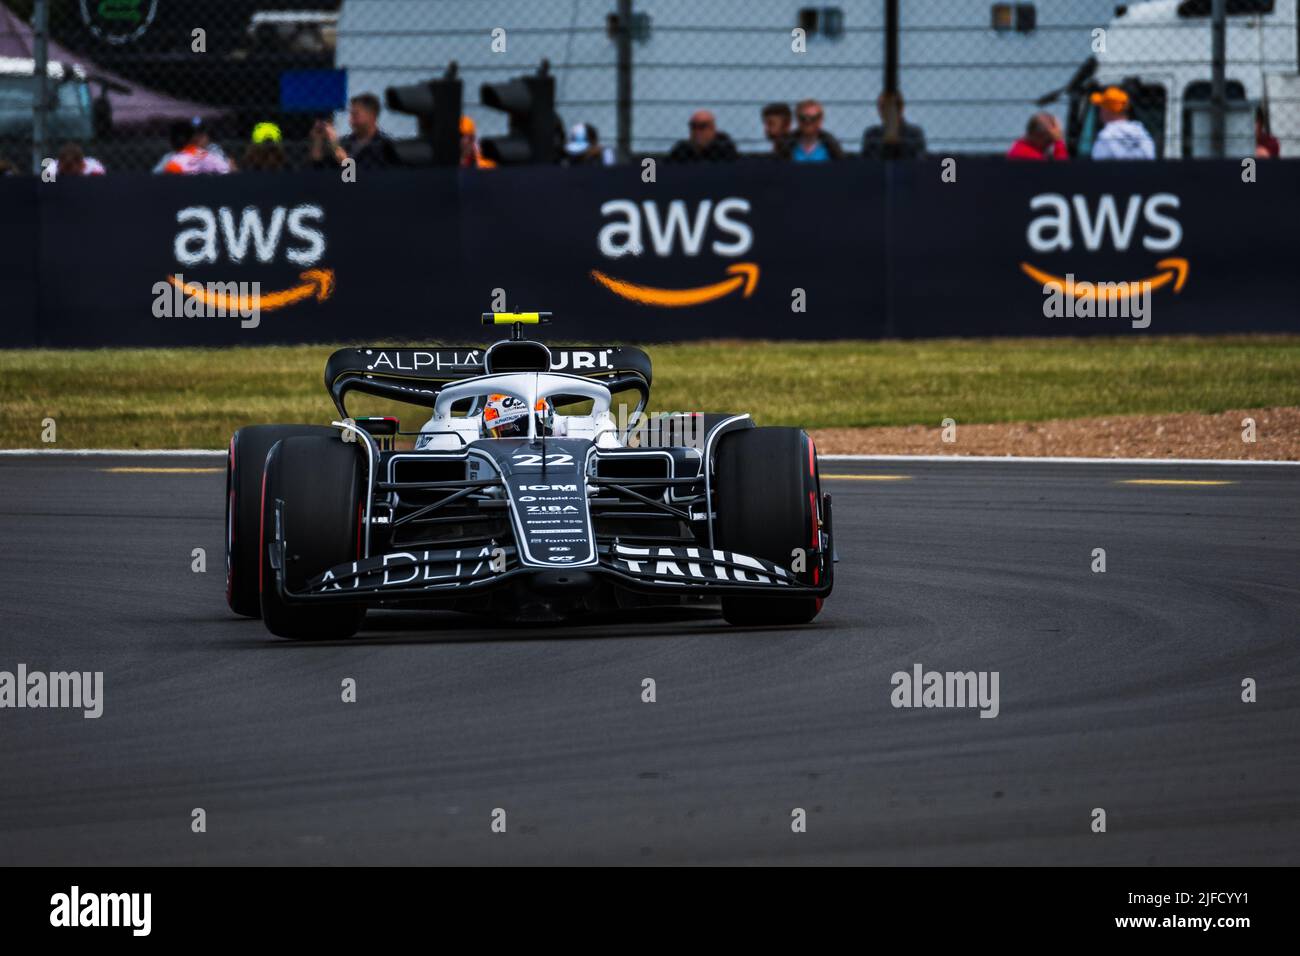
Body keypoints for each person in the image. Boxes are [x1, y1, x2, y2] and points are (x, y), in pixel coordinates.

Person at [310, 92, 400, 169]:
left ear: (372, 115)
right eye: (350, 115)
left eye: (355, 115)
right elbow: (319, 169)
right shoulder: (345, 142)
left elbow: (356, 176)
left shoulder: (385, 145)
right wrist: (318, 141)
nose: (351, 121)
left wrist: (335, 145)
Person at [1089, 86, 1155, 160]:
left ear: (1107, 110)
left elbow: (1097, 169)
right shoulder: (1142, 133)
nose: (1100, 112)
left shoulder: (1105, 136)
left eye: (1101, 107)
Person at [861, 91, 927, 159]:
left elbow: (918, 162)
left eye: (885, 107)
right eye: (881, 107)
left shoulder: (914, 134)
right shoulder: (871, 135)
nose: (882, 111)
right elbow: (866, 162)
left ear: (900, 108)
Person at [776, 99, 844, 162]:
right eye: (803, 118)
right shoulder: (786, 147)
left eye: (814, 118)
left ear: (821, 120)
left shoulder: (832, 147)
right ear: (797, 119)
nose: (808, 122)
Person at [161, 119, 233, 174]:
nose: (197, 139)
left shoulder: (214, 151)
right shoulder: (170, 157)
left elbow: (230, 170)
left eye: (201, 135)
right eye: (195, 135)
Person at [667, 110, 737, 162]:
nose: (697, 131)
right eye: (693, 126)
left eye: (702, 126)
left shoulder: (724, 148)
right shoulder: (682, 150)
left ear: (712, 128)